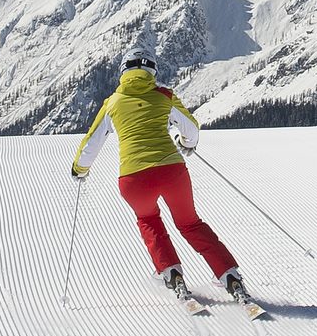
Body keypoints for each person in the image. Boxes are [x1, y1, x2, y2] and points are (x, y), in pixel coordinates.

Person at [72, 55, 248, 302]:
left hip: (133, 178)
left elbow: (92, 143)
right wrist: (187, 144)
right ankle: (229, 274)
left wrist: (80, 169)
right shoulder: (164, 95)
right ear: (152, 72)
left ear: (123, 72)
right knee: (190, 224)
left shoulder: (112, 103)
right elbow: (191, 129)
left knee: (149, 220)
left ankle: (170, 271)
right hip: (171, 171)